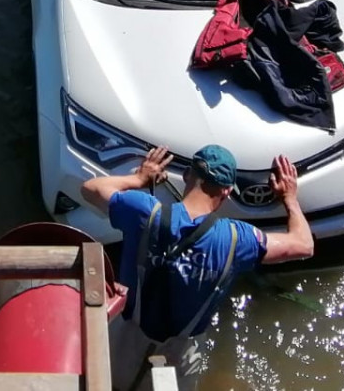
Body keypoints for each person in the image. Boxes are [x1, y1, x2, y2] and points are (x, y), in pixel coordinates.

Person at [81, 144, 313, 390]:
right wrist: (290, 199)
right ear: (225, 193)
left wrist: (139, 178)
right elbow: (304, 245)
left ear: (186, 175)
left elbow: (90, 189)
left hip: (122, 343)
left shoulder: (144, 212)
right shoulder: (236, 239)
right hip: (177, 357)